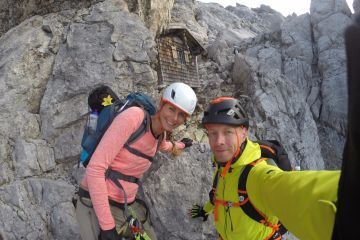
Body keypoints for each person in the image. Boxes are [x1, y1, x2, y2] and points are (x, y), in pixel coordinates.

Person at [190, 97, 340, 240]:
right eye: (212, 133)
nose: (218, 142)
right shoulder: (224, 164)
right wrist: (206, 210)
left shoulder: (258, 176)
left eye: (227, 132)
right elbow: (218, 193)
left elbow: (299, 192)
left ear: (244, 133)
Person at [76, 82, 197, 240]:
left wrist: (181, 144)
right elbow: (95, 169)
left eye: (181, 115)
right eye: (171, 109)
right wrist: (107, 228)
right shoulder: (134, 117)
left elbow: (165, 146)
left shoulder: (160, 134)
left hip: (126, 206)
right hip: (96, 201)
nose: (174, 118)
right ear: (162, 103)